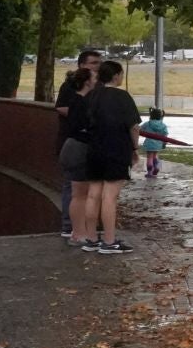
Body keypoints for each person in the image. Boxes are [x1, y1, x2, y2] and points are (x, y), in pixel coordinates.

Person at [73, 59, 141, 255]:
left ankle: (92, 238)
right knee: (110, 196)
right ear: (116, 75)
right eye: (121, 75)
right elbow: (134, 126)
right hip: (116, 149)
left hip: (94, 149)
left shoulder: (91, 96)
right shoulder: (122, 96)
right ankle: (110, 241)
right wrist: (134, 149)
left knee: (93, 194)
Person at [53, 48, 102, 241]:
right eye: (93, 63)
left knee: (83, 189)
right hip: (75, 144)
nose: (98, 67)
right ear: (82, 66)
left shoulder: (95, 90)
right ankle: (71, 226)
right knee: (74, 188)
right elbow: (62, 108)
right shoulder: (73, 91)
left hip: (81, 144)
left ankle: (82, 228)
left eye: (99, 63)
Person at [139, 108, 170, 178]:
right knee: (156, 156)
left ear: (151, 115)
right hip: (158, 143)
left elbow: (140, 130)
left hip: (149, 143)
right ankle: (157, 167)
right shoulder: (163, 125)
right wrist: (164, 143)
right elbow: (165, 135)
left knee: (149, 157)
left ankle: (149, 172)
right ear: (160, 116)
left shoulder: (147, 123)